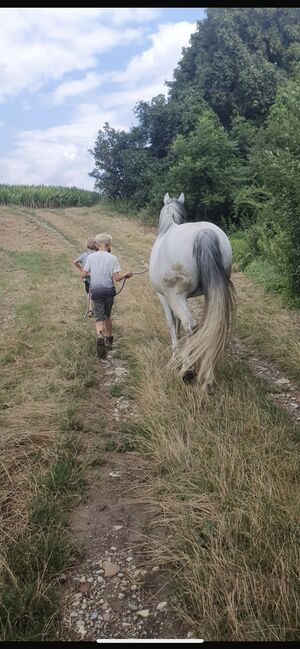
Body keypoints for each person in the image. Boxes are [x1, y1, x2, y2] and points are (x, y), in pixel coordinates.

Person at [81, 233, 133, 359]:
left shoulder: (90, 258)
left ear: (96, 245)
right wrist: (125, 275)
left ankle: (100, 334)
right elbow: (117, 278)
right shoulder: (113, 258)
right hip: (109, 291)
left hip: (96, 291)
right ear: (109, 245)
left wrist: (91, 275)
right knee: (108, 316)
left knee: (99, 318)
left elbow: (83, 274)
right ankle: (109, 340)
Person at [74, 239, 98, 316]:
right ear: (96, 245)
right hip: (97, 277)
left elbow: (75, 262)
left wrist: (81, 269)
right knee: (95, 292)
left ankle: (90, 309)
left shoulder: (84, 255)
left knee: (89, 292)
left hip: (86, 276)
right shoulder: (98, 255)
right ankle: (95, 308)